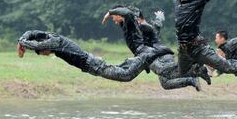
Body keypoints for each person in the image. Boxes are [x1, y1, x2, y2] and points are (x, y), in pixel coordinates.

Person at [102, 6, 207, 91]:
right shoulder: (135, 26)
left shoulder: (142, 26)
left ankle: (195, 67)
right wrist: (159, 19)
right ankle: (192, 78)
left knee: (163, 71)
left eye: (114, 17)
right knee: (166, 83)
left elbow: (149, 30)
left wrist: (110, 12)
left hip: (158, 55)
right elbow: (155, 27)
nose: (114, 20)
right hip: (155, 54)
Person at [17, 30, 166, 82]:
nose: (45, 54)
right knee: (123, 71)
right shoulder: (50, 38)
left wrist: (22, 42)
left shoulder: (54, 42)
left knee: (125, 76)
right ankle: (140, 60)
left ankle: (150, 55)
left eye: (43, 53)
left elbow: (36, 44)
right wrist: (23, 39)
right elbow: (32, 32)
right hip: (91, 64)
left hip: (92, 64)